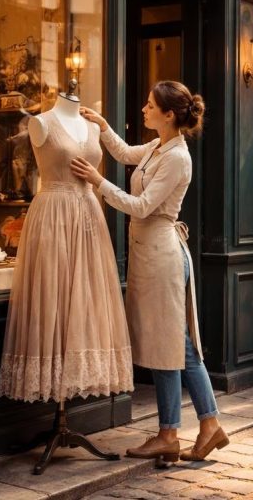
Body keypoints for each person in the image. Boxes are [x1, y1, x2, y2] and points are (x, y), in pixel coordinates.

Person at [70, 80, 227, 465]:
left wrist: (97, 181)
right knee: (168, 345)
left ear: (168, 114)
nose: (144, 109)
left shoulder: (177, 158)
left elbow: (141, 206)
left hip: (162, 256)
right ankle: (192, 429)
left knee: (174, 347)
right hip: (150, 254)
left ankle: (177, 432)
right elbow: (124, 153)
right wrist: (102, 126)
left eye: (149, 105)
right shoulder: (159, 146)